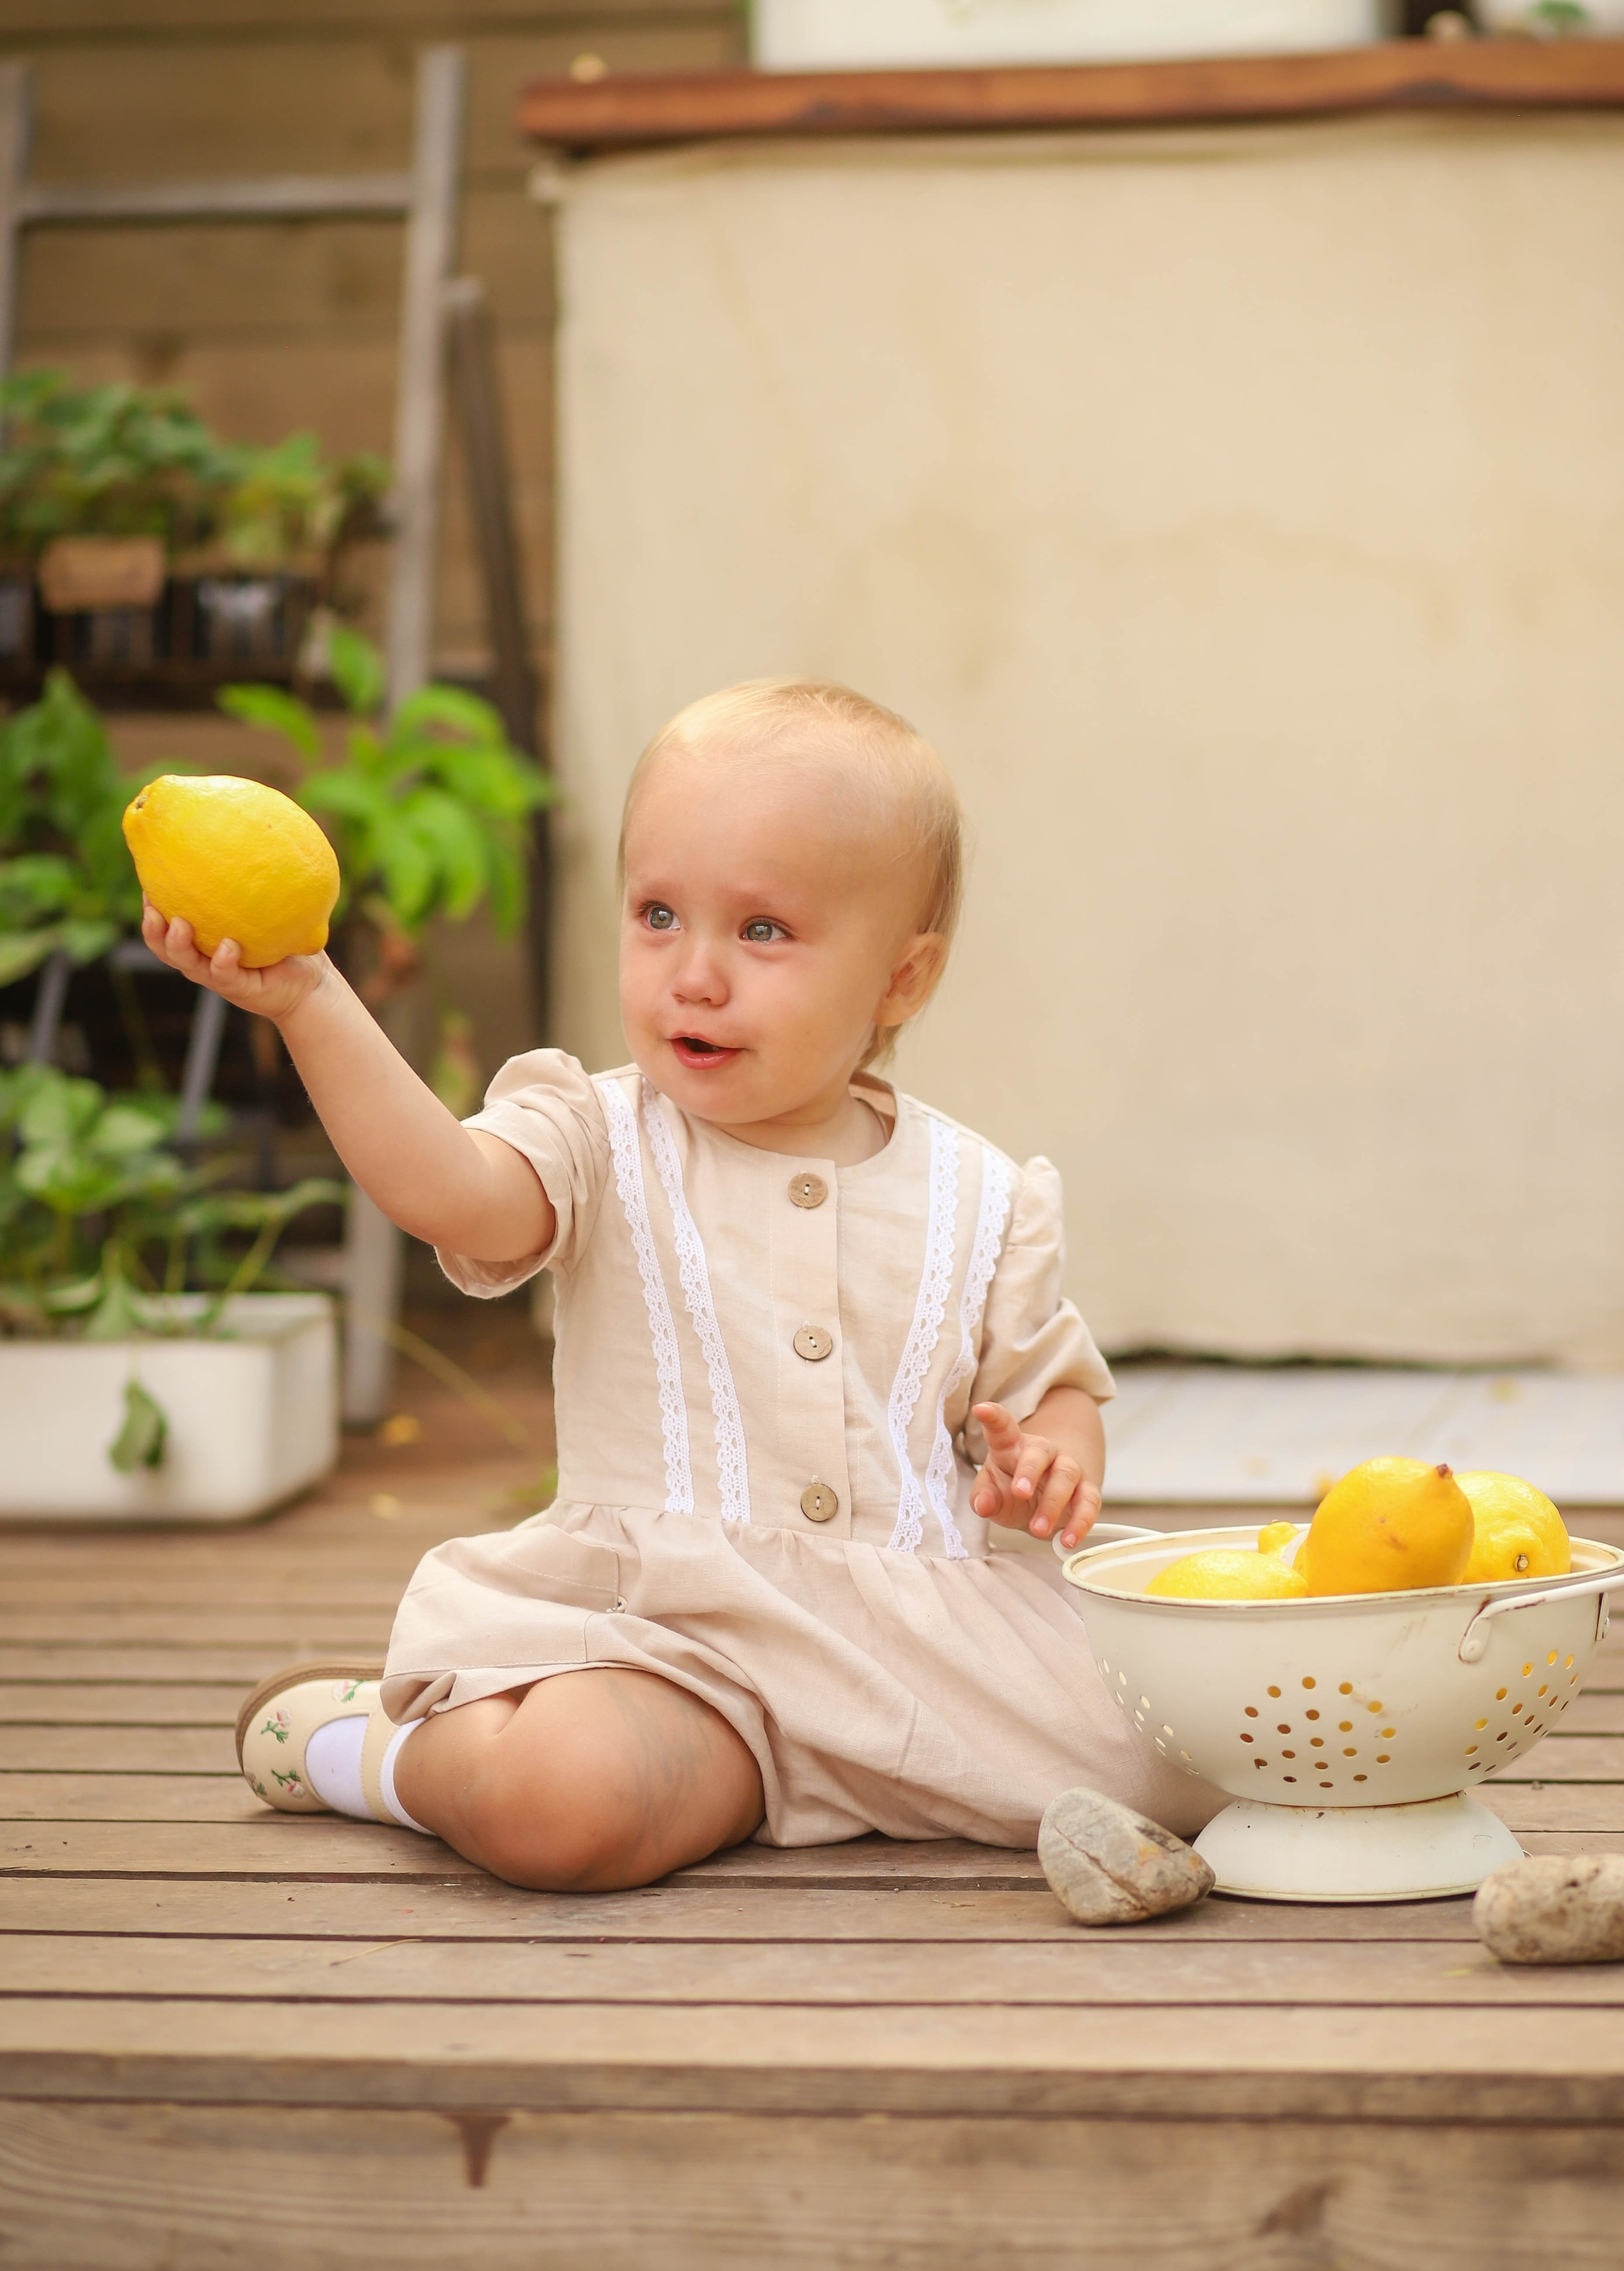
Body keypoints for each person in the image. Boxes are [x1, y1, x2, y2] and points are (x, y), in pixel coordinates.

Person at [149, 679, 1207, 1890]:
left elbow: (1053, 1391)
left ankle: (848, 1774)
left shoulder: (981, 1195)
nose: (694, 975)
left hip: (925, 1640)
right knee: (566, 1808)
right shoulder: (596, 1136)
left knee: (1187, 1751)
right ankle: (370, 1748)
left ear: (902, 980)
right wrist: (312, 1002)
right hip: (675, 1648)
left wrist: (1055, 1464)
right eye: (658, 915)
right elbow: (446, 1188)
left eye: (762, 932)